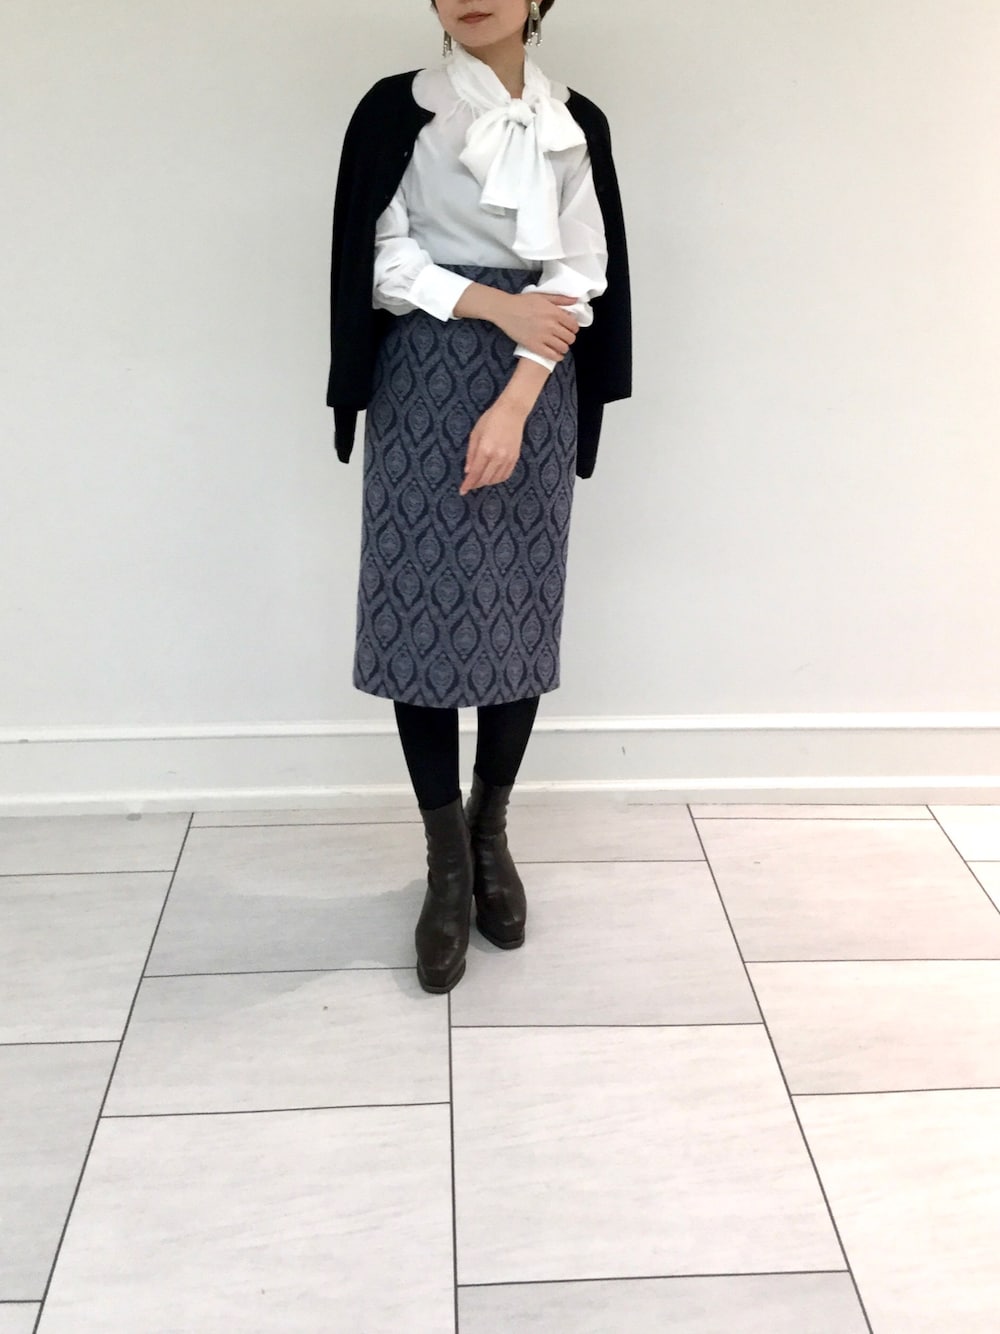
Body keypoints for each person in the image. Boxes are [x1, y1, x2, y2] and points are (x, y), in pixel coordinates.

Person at [327, 0, 632, 994]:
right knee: (420, 609)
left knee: (513, 607)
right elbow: (381, 258)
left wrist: (516, 393)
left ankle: (489, 830)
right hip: (422, 370)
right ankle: (445, 863)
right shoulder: (395, 109)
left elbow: (580, 272)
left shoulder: (575, 120)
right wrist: (498, 303)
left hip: (536, 378)